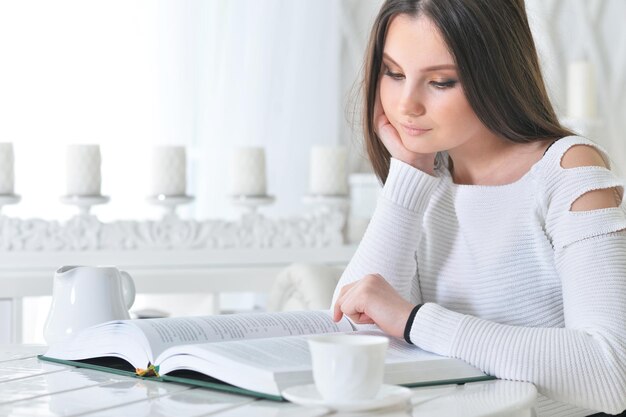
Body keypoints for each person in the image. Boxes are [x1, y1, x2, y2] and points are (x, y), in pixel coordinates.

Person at [331, 1, 626, 416]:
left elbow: (611, 372)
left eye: (441, 82)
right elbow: (351, 331)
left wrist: (415, 320)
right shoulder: (426, 178)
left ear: (497, 74)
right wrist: (408, 176)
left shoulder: (568, 170)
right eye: (394, 73)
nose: (406, 105)